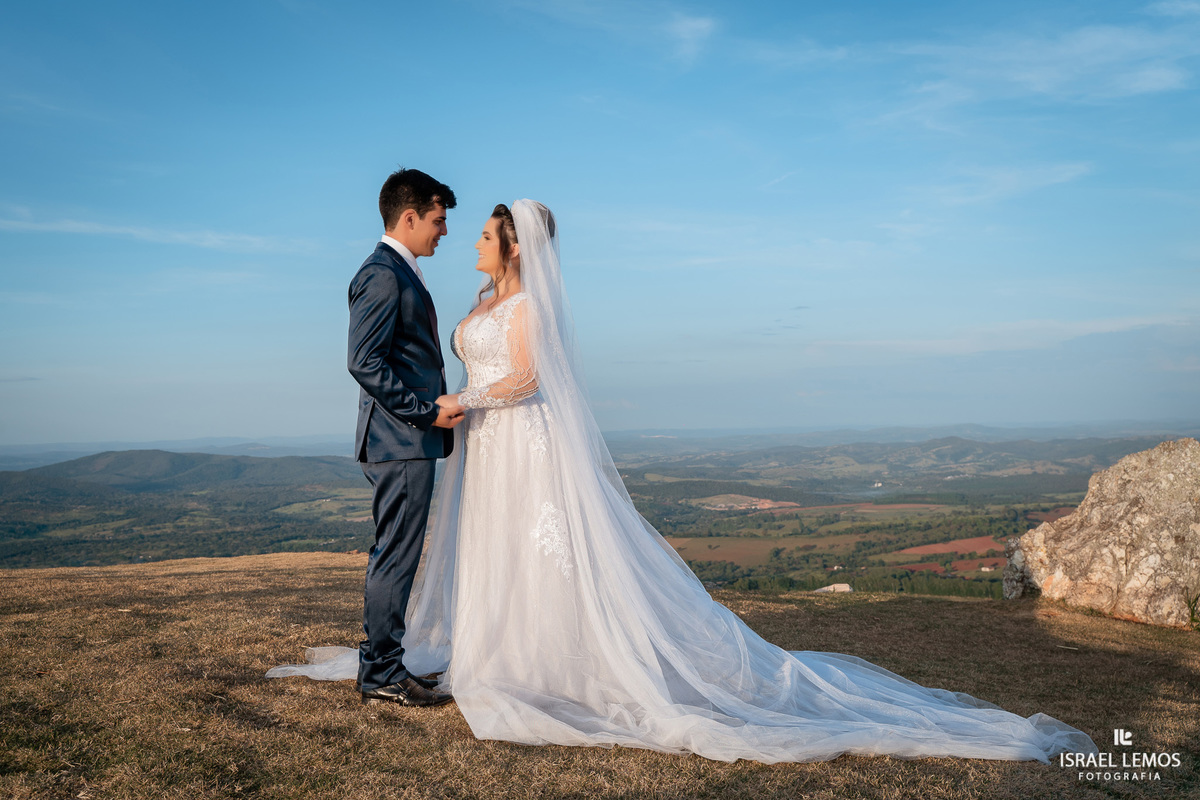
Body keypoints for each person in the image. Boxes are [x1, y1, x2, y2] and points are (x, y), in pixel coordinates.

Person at [270, 199, 1099, 764]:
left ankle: (550, 657)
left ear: (513, 245)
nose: (469, 240)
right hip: (481, 445)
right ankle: (471, 648)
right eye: (459, 227)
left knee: (543, 549)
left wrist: (461, 398)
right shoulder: (465, 294)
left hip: (511, 434)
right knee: (491, 553)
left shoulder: (527, 311)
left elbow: (524, 380)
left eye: (484, 233)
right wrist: (451, 405)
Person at [331, 167, 464, 708]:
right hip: (400, 440)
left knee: (395, 554)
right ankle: (381, 674)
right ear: (409, 217)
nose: (444, 231)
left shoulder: (398, 270)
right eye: (438, 219)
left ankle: (386, 665)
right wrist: (424, 412)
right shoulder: (384, 273)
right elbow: (363, 361)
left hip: (400, 440)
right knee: (395, 557)